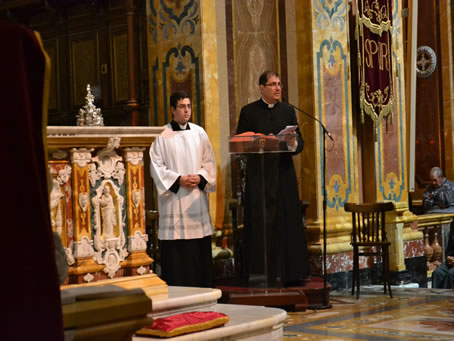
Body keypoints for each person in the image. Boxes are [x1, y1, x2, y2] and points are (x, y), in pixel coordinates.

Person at [236, 70, 310, 287]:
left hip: (283, 175)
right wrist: (260, 141)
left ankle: (292, 273)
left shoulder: (288, 110)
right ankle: (260, 275)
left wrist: (294, 143)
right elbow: (240, 142)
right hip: (259, 178)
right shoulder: (248, 112)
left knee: (287, 222)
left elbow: (300, 143)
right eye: (273, 84)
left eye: (279, 84)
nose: (278, 88)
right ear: (262, 88)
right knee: (260, 224)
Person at [150, 91, 216, 288]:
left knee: (198, 251)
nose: (186, 110)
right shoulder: (161, 135)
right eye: (181, 107)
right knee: (177, 253)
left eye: (188, 106)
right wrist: (178, 179)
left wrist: (201, 177)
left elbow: (209, 162)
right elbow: (156, 167)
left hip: (196, 200)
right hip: (174, 201)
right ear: (172, 109)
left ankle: (202, 289)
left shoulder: (199, 132)